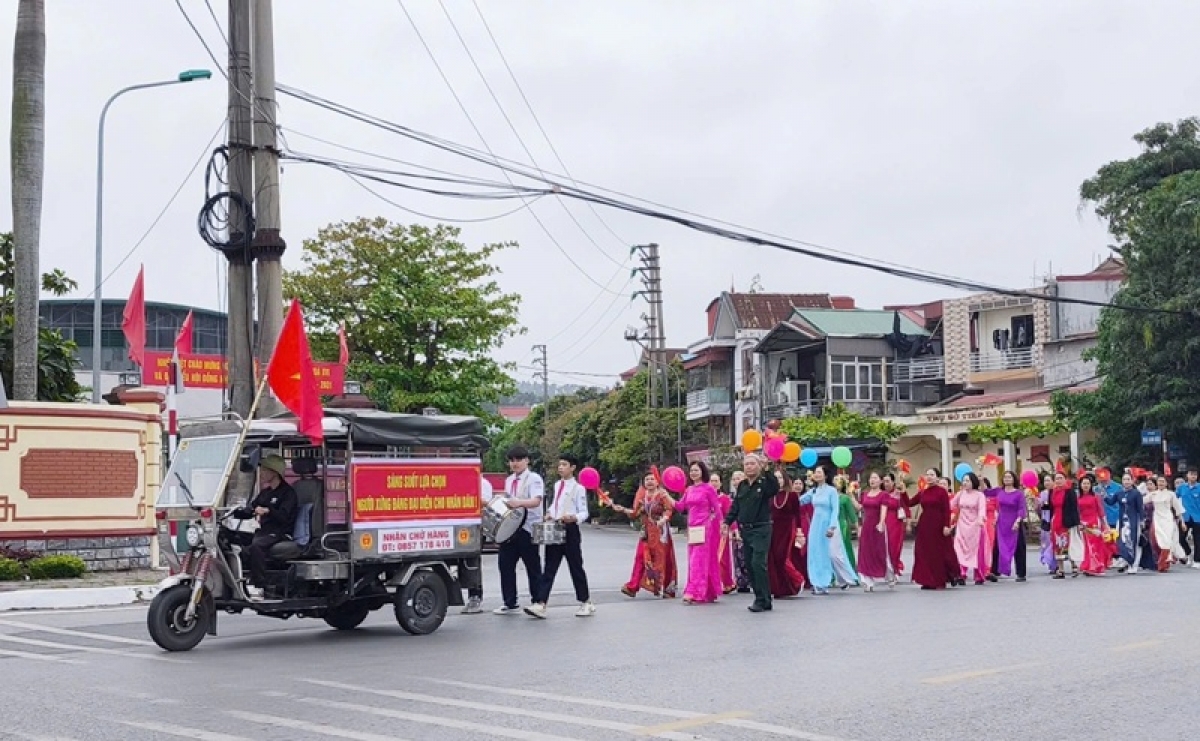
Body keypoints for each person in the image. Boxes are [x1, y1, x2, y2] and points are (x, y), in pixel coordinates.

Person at [526, 455, 594, 618]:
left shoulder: (578, 488)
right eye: (559, 465)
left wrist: (574, 518)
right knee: (549, 567)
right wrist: (549, 513)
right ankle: (541, 603)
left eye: (564, 465)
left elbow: (584, 512)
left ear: (573, 468)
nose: (560, 467)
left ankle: (585, 601)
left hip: (570, 529)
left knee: (575, 566)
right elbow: (555, 504)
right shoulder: (557, 485)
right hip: (555, 527)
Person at [229, 454, 298, 600]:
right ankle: (240, 580)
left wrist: (268, 511)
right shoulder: (266, 493)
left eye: (266, 470)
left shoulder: (288, 493)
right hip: (264, 532)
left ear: (275, 472)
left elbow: (284, 517)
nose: (263, 473)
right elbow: (251, 509)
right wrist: (234, 512)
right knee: (235, 540)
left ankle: (260, 585)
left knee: (257, 545)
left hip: (280, 532)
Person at [722, 454, 779, 612]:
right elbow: (736, 506)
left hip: (761, 528)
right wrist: (727, 522)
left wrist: (768, 469)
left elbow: (774, 488)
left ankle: (761, 599)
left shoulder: (764, 482)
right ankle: (764, 598)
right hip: (745, 529)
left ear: (759, 465)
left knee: (758, 563)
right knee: (749, 564)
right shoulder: (742, 486)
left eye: (752, 463)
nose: (749, 467)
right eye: (746, 464)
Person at [494, 446, 544, 615]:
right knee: (505, 564)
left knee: (533, 566)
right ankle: (509, 601)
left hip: (528, 527)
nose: (514, 463)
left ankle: (538, 601)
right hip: (511, 528)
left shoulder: (534, 479)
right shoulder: (509, 480)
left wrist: (519, 503)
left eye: (518, 460)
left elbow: (536, 501)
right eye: (512, 460)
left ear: (527, 460)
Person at [614, 470, 678, 598]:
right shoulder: (643, 498)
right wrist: (623, 509)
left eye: (652, 479)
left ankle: (665, 587)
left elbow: (669, 509)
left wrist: (664, 519)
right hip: (646, 533)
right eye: (647, 479)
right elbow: (635, 514)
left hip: (660, 532)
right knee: (640, 558)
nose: (649, 481)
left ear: (657, 481)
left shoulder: (662, 495)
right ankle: (633, 586)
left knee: (662, 559)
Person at [797, 465, 860, 594]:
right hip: (816, 525)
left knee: (834, 554)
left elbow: (835, 509)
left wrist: (831, 526)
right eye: (816, 473)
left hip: (830, 524)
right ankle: (820, 583)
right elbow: (799, 501)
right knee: (816, 554)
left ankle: (845, 579)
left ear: (825, 476)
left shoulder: (831, 491)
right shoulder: (813, 491)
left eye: (820, 472)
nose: (817, 474)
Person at [674, 462, 723, 604]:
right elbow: (680, 506)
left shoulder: (708, 488)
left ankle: (694, 591)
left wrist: (722, 524)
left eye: (696, 470)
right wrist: (667, 497)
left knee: (698, 560)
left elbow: (717, 508)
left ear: (702, 472)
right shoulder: (689, 489)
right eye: (691, 470)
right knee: (694, 560)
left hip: (705, 528)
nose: (693, 473)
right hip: (692, 528)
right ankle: (707, 590)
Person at [902, 469, 959, 590]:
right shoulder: (923, 492)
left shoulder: (941, 492)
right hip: (925, 525)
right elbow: (909, 503)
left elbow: (946, 510)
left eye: (932, 475)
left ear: (937, 478)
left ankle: (940, 580)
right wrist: (903, 491)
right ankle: (926, 580)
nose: (929, 477)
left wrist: (946, 525)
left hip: (938, 525)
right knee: (923, 552)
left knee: (938, 553)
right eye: (927, 475)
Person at [767, 473, 805, 598]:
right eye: (776, 478)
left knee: (781, 557)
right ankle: (779, 588)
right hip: (772, 529)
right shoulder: (770, 495)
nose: (778, 480)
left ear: (785, 480)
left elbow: (797, 514)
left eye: (780, 477)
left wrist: (799, 531)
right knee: (772, 559)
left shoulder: (792, 495)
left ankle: (797, 581)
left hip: (787, 529)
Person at [988, 471, 1029, 582]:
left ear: (1014, 479)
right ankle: (994, 571)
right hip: (1002, 523)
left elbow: (1021, 508)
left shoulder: (1019, 493)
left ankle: (1021, 573)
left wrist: (1018, 521)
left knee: (1019, 548)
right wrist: (981, 480)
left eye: (1009, 477)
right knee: (997, 547)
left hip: (1015, 522)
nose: (1007, 479)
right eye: (1005, 477)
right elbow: (985, 492)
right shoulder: (999, 491)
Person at [462, 475, 493, 615]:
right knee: (464, 562)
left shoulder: (483, 483)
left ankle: (475, 596)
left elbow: (486, 504)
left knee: (473, 562)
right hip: (462, 526)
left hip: (475, 527)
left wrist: (468, 498)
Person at [857, 472, 893, 591]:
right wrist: (850, 496)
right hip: (867, 526)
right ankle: (867, 580)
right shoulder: (865, 494)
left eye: (875, 478)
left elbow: (884, 509)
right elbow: (860, 509)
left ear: (880, 481)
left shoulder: (884, 495)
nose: (872, 480)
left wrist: (881, 523)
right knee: (865, 552)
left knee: (880, 553)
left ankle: (889, 574)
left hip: (878, 526)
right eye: (871, 478)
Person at [951, 473, 989, 585]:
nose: (965, 483)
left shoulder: (979, 495)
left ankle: (979, 575)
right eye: (964, 480)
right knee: (959, 549)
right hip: (962, 525)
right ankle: (961, 574)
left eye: (967, 480)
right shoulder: (960, 494)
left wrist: (981, 519)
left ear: (973, 482)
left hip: (975, 526)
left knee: (976, 550)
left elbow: (982, 509)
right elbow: (951, 504)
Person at [1107, 472, 1147, 574]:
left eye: (1128, 479)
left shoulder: (1136, 493)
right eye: (1124, 479)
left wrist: (1142, 521)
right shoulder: (1119, 493)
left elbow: (1140, 508)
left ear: (1132, 481)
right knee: (1122, 542)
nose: (1126, 482)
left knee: (1134, 542)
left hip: (1133, 521)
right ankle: (1128, 562)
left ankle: (1134, 564)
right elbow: (1111, 502)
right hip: (1122, 522)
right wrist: (1103, 495)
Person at [1144, 475, 1186, 572]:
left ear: (1166, 483)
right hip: (1157, 519)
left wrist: (1182, 522)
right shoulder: (1153, 494)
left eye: (1163, 481)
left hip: (1167, 519)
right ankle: (1166, 559)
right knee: (1157, 542)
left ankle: (1163, 564)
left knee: (1166, 541)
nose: (1161, 483)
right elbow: (1141, 501)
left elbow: (1178, 509)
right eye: (1159, 481)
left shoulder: (1171, 494)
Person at [1076, 473, 1112, 576]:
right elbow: (1077, 512)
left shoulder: (1096, 497)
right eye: (1084, 483)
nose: (1086, 485)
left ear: (1091, 485)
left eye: (1088, 483)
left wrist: (1106, 525)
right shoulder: (1078, 498)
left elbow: (1101, 512)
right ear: (1080, 485)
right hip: (1083, 524)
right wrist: (1078, 523)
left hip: (1095, 523)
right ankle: (1088, 566)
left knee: (1096, 545)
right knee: (1086, 546)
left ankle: (1098, 566)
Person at [1048, 472, 1081, 579]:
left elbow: (1074, 508)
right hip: (1056, 520)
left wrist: (1076, 523)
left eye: (1061, 478)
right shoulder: (1052, 492)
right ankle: (1060, 569)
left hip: (1067, 520)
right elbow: (1051, 508)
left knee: (1068, 544)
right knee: (1057, 545)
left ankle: (1074, 566)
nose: (1058, 480)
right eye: (1057, 478)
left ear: (1065, 479)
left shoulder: (1070, 492)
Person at [711, 473, 738, 595]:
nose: (714, 483)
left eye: (716, 481)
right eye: (711, 481)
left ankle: (727, 583)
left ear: (720, 483)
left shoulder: (724, 499)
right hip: (708, 533)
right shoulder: (705, 497)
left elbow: (729, 515)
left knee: (722, 559)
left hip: (721, 533)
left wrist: (734, 529)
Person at [881, 474, 907, 579]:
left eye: (888, 481)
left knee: (894, 547)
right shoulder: (881, 494)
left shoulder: (898, 493)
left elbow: (906, 505)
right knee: (884, 547)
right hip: (883, 521)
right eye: (884, 481)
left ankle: (895, 569)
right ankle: (886, 569)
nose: (886, 484)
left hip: (896, 523)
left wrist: (908, 521)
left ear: (893, 482)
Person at [1176, 467, 1200, 568]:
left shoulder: (1199, 487)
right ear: (1187, 475)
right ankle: (1188, 552)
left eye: (1195, 474)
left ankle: (1197, 560)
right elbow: (1175, 500)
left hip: (1197, 517)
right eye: (1191, 474)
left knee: (1197, 539)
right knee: (1180, 538)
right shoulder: (1181, 487)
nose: (1193, 476)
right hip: (1184, 517)